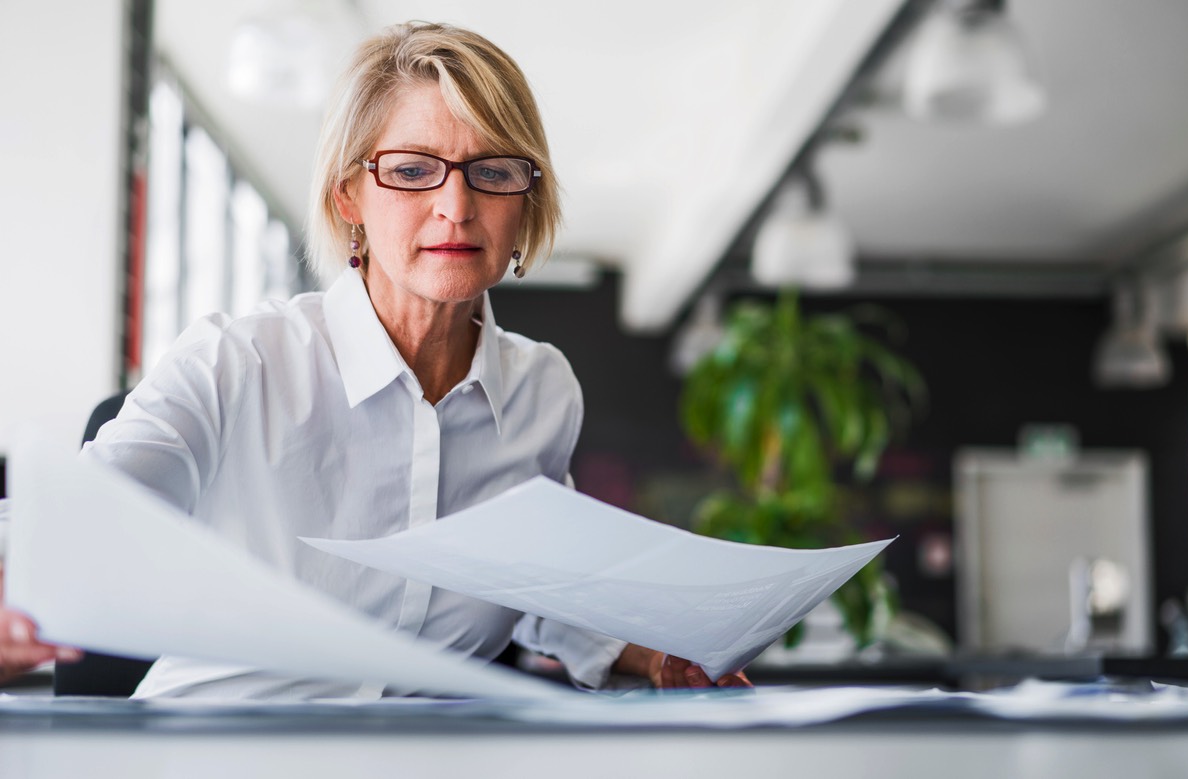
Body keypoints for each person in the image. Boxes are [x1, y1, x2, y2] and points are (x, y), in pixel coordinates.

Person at [0, 21, 749, 698]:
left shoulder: (539, 391)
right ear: (349, 196)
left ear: (525, 199)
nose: (456, 207)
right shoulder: (238, 363)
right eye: (414, 170)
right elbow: (69, 522)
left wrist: (650, 653)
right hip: (224, 749)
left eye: (491, 171)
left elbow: (532, 584)